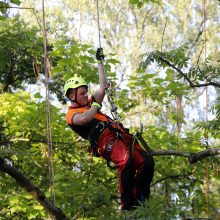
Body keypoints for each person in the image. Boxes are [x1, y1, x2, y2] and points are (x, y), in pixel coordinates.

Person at [64, 48, 154, 211]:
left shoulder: (90, 103)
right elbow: (84, 119)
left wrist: (100, 63)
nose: (86, 95)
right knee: (126, 160)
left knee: (146, 162)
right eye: (82, 93)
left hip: (120, 136)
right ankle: (127, 206)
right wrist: (96, 105)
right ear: (72, 96)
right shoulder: (71, 114)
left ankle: (141, 200)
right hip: (105, 141)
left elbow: (102, 86)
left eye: (86, 92)